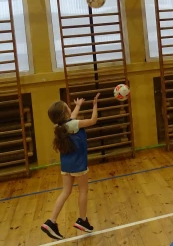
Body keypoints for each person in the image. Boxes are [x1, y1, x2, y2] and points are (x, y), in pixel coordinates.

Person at [41, 93, 100, 240]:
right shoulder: (74, 124)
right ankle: (82, 220)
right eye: (68, 106)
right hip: (78, 164)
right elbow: (93, 120)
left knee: (65, 192)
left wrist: (78, 105)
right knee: (83, 190)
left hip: (66, 165)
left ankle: (51, 221)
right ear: (65, 111)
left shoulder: (61, 126)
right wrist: (94, 105)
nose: (69, 107)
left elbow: (71, 117)